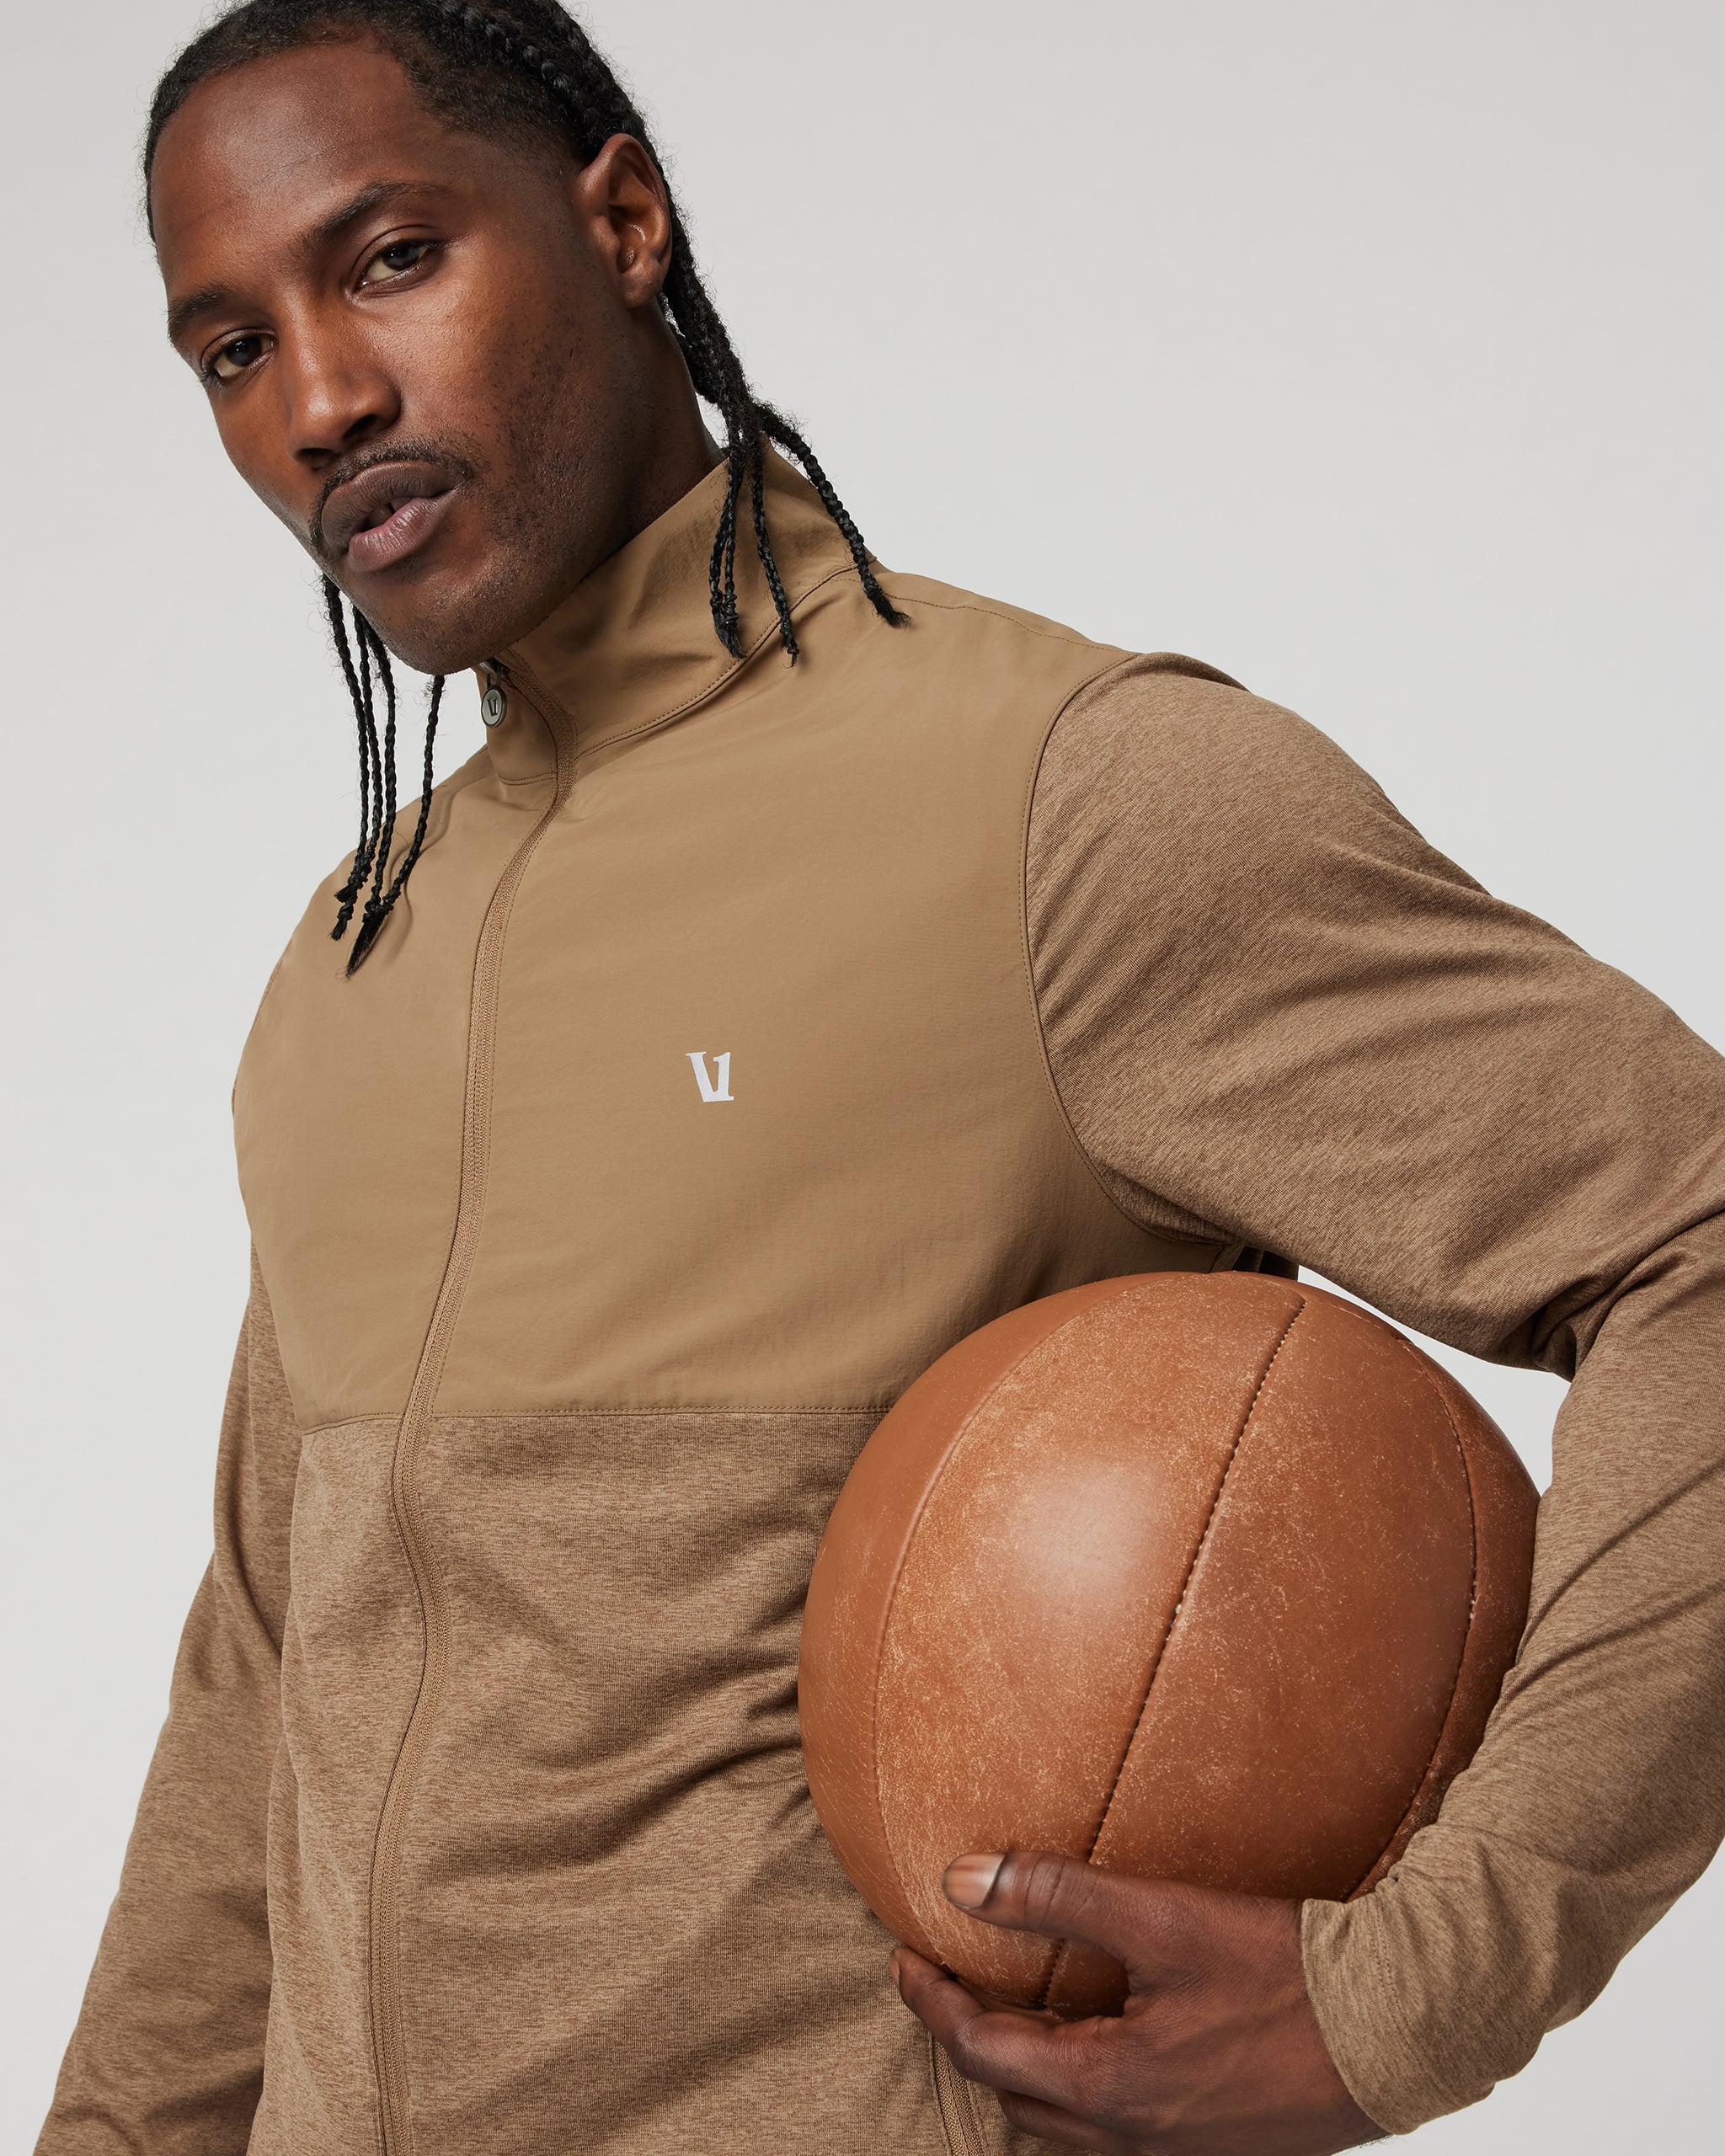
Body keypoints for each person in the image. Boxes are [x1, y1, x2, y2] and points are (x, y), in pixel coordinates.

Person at [39, 3, 1725, 2152]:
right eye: (229, 350)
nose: (318, 402)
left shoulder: (1062, 798)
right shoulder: (350, 962)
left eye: (388, 260)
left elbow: (1694, 1240)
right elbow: (266, 1675)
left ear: (621, 220)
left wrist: (1421, 1986)